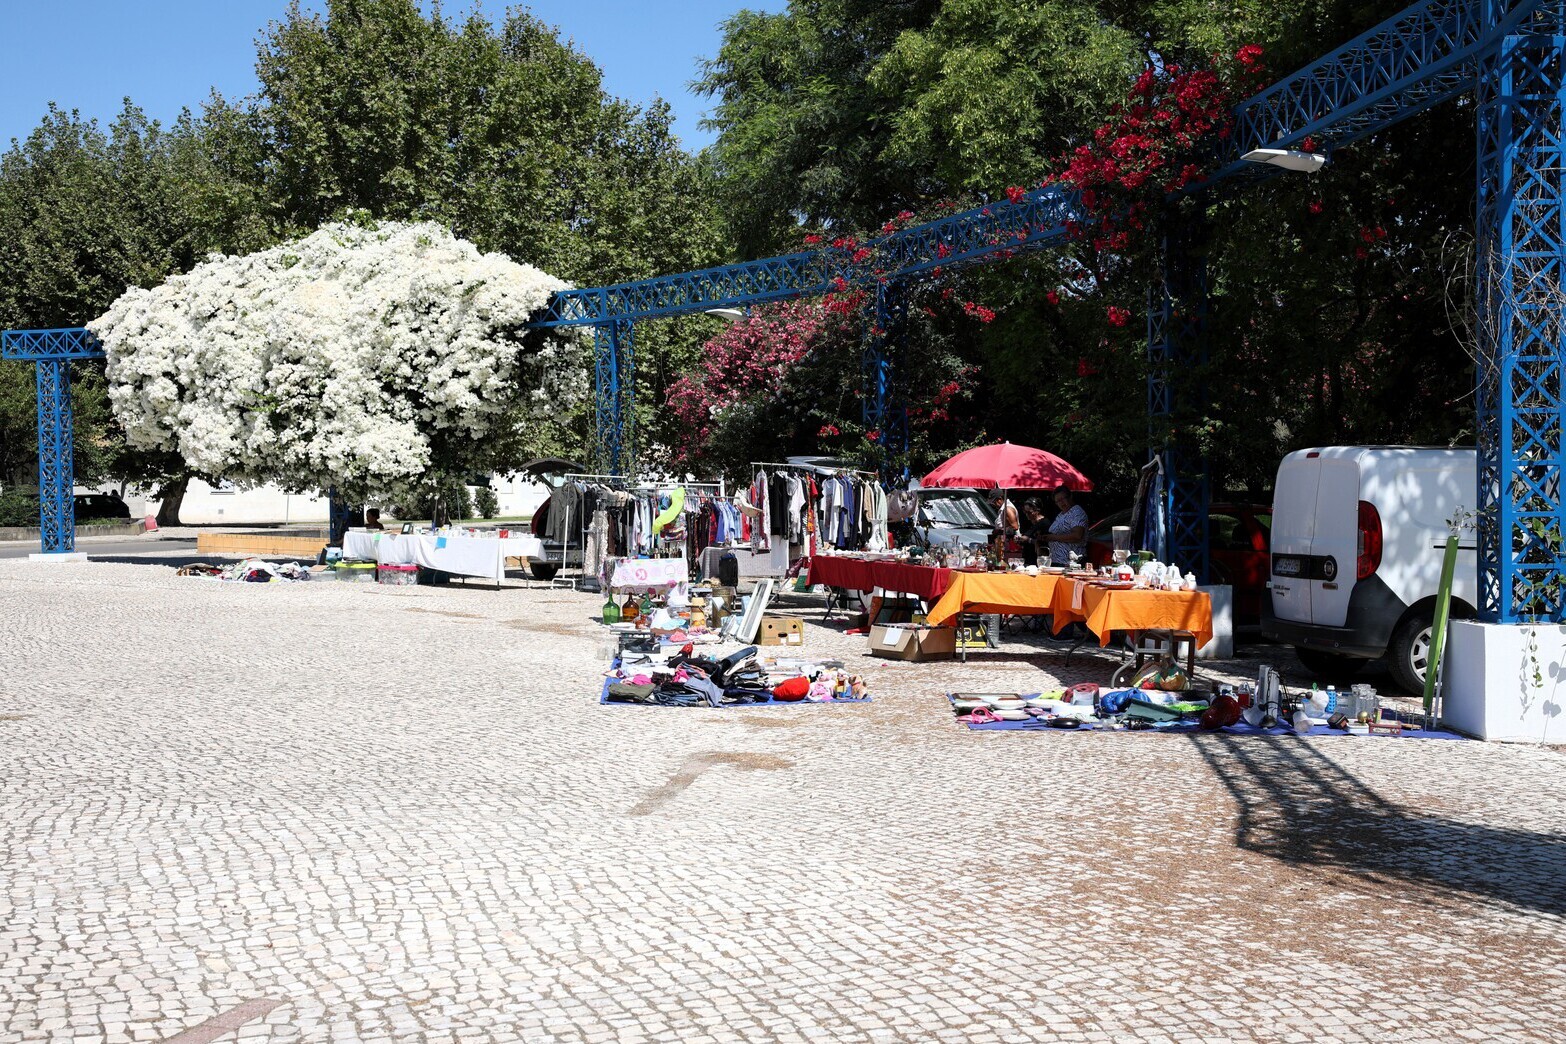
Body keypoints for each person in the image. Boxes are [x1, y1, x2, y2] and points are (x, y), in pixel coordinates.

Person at [1041, 487, 1089, 567]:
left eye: (1063, 499)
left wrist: (1053, 537)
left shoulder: (1077, 512)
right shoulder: (1061, 514)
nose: (1061, 502)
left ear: (1070, 497)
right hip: (1057, 561)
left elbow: (1077, 536)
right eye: (1058, 501)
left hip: (1070, 563)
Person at [1019, 498, 1050, 567]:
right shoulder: (1028, 522)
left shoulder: (1044, 523)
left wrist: (1026, 539)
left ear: (1037, 511)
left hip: (1039, 559)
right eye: (1025, 512)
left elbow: (1046, 541)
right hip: (1028, 557)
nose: (1027, 515)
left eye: (1029, 512)